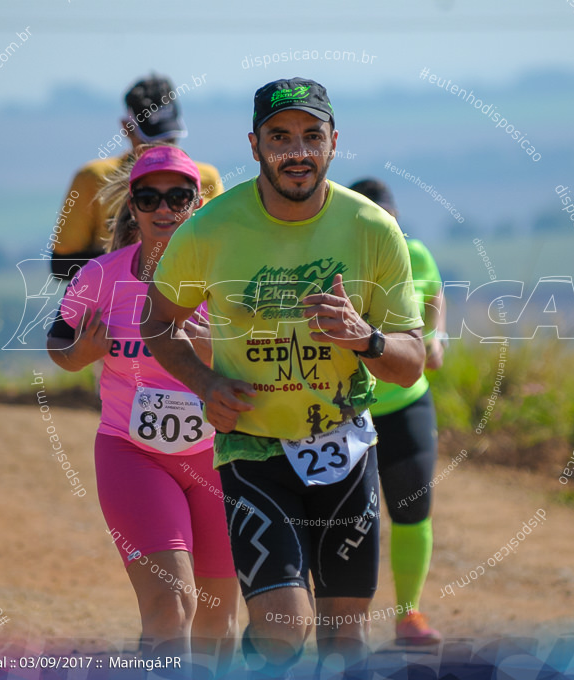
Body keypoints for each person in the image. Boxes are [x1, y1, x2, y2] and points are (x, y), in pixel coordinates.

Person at [142, 77, 425, 678]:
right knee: (282, 633)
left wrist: (365, 338)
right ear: (254, 145)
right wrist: (206, 384)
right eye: (280, 137)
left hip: (344, 448)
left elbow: (412, 358)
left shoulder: (374, 230)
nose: (297, 151)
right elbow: (158, 324)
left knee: (345, 643)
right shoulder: (209, 229)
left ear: (333, 142)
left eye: (311, 136)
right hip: (254, 446)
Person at [46, 144, 238, 675]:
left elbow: (266, 370)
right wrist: (81, 354)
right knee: (170, 608)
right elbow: (58, 344)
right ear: (131, 205)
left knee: (219, 623)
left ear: (197, 203)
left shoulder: (227, 280)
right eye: (149, 196)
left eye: (178, 196)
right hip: (133, 453)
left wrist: (214, 354)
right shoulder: (101, 277)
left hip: (221, 457)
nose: (163, 208)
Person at [348, 178, 447, 646]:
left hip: (406, 404)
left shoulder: (415, 254)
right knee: (344, 521)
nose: (386, 230)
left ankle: (409, 615)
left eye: (391, 222)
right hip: (348, 411)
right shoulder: (338, 264)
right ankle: (333, 621)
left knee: (412, 509)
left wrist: (437, 335)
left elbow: (434, 293)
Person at [50, 73, 225, 280]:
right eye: (147, 200)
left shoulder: (206, 178)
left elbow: (220, 251)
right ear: (127, 128)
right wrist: (134, 258)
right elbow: (61, 265)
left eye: (170, 138)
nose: (163, 149)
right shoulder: (93, 178)